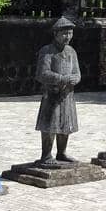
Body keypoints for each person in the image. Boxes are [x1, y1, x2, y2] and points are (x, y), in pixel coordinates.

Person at [35, 16, 81, 166]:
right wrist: (62, 78)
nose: (68, 37)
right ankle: (46, 155)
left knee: (65, 124)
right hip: (52, 95)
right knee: (50, 125)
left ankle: (62, 152)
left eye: (70, 33)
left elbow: (77, 73)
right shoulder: (47, 51)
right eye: (64, 33)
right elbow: (42, 74)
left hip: (67, 95)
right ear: (55, 34)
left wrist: (74, 79)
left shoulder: (72, 52)